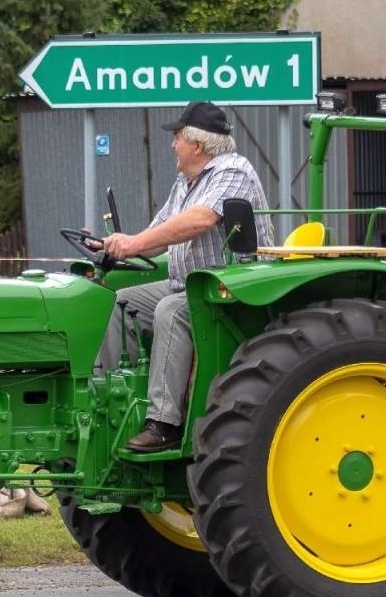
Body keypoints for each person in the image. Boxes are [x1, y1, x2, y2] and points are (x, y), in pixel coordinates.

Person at [96, 100, 275, 453]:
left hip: (228, 286)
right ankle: (110, 403)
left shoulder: (233, 170)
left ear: (197, 144)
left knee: (172, 310)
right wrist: (115, 246)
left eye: (177, 137)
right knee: (121, 303)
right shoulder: (186, 181)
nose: (172, 145)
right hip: (188, 282)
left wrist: (134, 243)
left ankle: (164, 423)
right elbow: (159, 235)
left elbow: (200, 220)